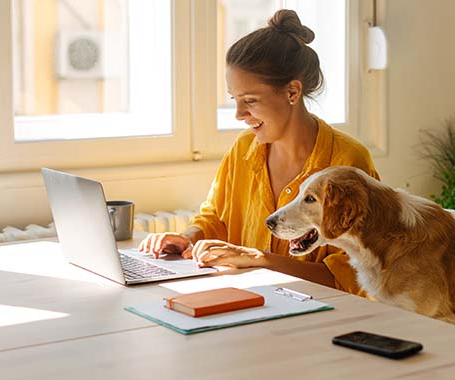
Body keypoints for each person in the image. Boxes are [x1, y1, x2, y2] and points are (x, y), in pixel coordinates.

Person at [138, 9, 379, 295]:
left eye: (249, 100)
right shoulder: (243, 149)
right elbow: (216, 218)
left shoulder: (347, 162)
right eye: (234, 100)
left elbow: (352, 277)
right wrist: (187, 238)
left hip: (320, 317)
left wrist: (262, 261)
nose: (239, 114)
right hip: (247, 304)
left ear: (292, 92)